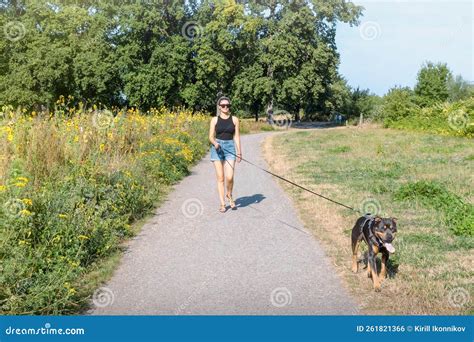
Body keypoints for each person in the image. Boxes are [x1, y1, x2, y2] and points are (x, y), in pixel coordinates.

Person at [208, 96, 242, 213]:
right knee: (221, 178)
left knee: (230, 176)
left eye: (227, 105)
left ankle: (229, 194)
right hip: (217, 148)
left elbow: (236, 136)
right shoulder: (214, 120)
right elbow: (210, 137)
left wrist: (239, 152)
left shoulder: (235, 119)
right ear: (219, 107)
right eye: (223, 105)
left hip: (230, 147)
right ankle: (223, 204)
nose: (225, 107)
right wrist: (215, 143)